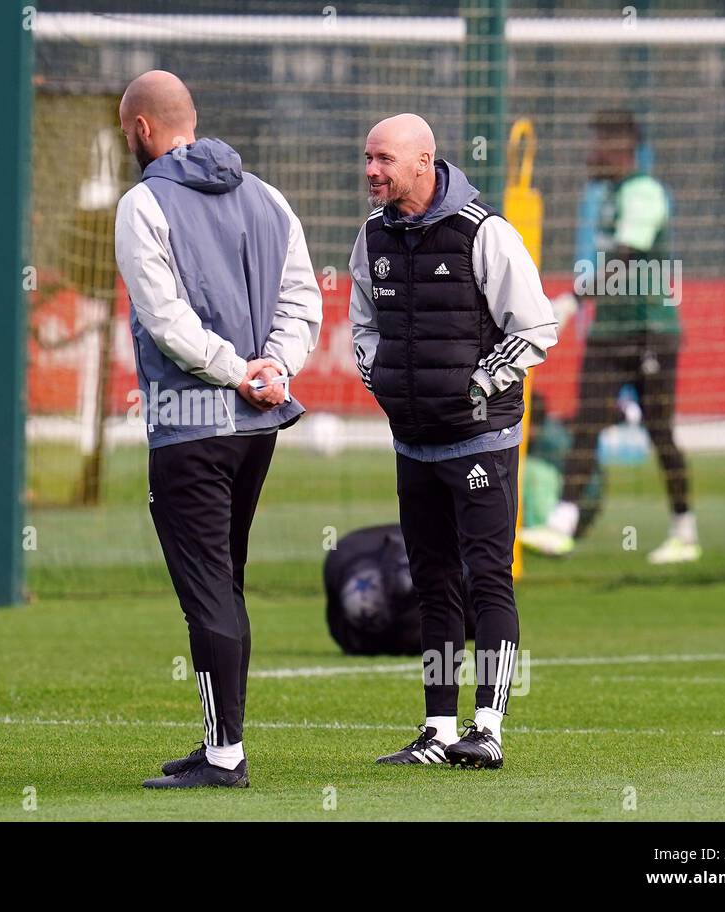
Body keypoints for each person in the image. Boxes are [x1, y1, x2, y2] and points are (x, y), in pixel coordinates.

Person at [114, 71, 322, 789]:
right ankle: (219, 742)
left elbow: (165, 320)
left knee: (207, 588)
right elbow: (302, 299)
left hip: (189, 423)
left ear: (142, 129)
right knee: (224, 583)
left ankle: (225, 753)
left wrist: (236, 371)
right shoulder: (267, 197)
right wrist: (276, 371)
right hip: (256, 424)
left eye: (124, 133)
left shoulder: (143, 202)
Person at [350, 114, 557, 769]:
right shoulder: (372, 236)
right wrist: (379, 376)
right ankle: (439, 730)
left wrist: (477, 386)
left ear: (423, 162)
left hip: (480, 442)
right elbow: (363, 322)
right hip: (413, 443)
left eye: (383, 159)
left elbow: (537, 328)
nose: (371, 171)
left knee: (487, 579)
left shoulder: (485, 233)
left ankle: (488, 729)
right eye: (368, 158)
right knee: (432, 583)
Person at [519, 109, 697, 564]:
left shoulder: (644, 193)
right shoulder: (608, 195)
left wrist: (576, 298)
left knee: (660, 431)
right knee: (587, 424)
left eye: (598, 142)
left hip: (649, 332)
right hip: (608, 331)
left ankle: (684, 530)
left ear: (621, 148)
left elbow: (626, 258)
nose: (590, 152)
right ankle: (563, 524)